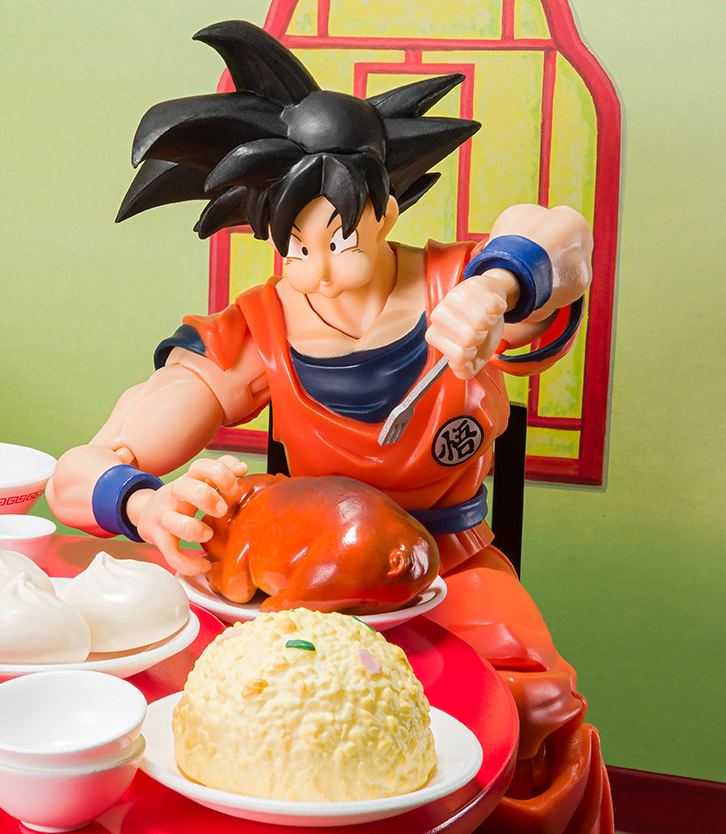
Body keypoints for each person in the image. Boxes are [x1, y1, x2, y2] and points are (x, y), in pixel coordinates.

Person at [46, 20, 612, 834]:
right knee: (231, 722)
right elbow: (77, 472)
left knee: (535, 709)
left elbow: (564, 234)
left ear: (385, 210)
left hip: (450, 574)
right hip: (302, 587)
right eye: (294, 246)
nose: (316, 269)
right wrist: (146, 504)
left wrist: (496, 290)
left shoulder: (462, 284)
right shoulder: (258, 330)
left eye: (339, 238)